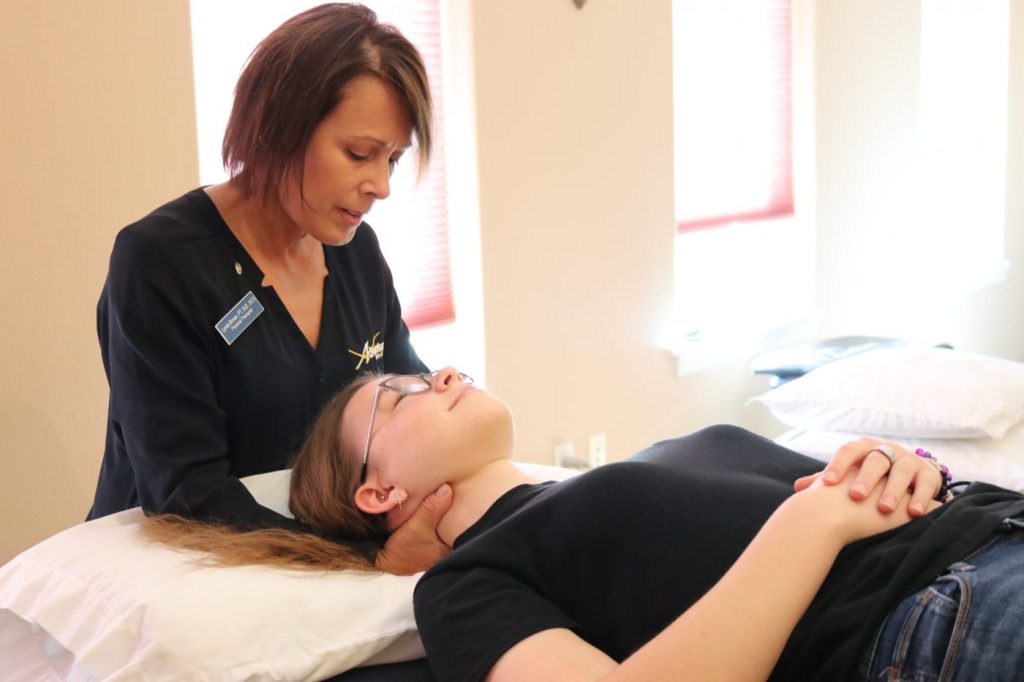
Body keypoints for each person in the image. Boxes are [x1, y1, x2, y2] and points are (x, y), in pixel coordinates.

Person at [146, 368, 1024, 681]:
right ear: (377, 494)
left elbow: (842, 495)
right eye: (401, 393)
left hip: (990, 531)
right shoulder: (467, 584)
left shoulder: (627, 466)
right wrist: (814, 527)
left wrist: (892, 471)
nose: (440, 374)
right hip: (939, 616)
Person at [88, 3, 452, 574]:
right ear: (278, 128)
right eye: (358, 154)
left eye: (394, 159)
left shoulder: (357, 254)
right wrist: (366, 557)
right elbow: (187, 494)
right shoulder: (161, 262)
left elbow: (404, 403)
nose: (380, 185)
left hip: (323, 569)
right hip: (180, 570)